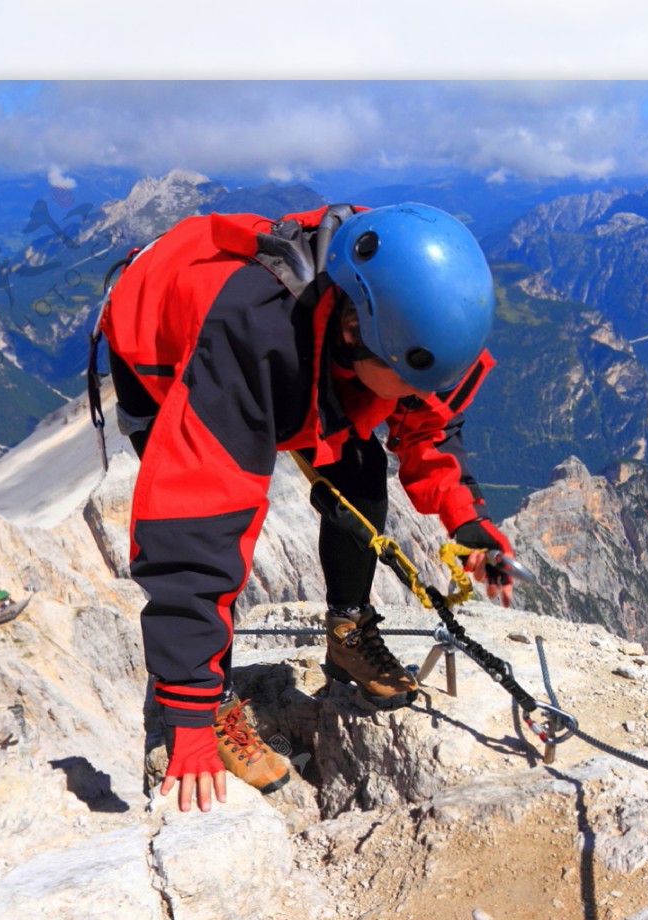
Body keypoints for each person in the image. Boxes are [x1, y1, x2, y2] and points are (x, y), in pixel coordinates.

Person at [99, 202, 517, 814]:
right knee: (219, 529)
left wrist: (468, 522)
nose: (422, 397)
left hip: (309, 354)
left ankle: (348, 632)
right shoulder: (251, 341)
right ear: (353, 334)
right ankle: (211, 700)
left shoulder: (391, 292)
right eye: (409, 380)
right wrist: (187, 714)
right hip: (159, 348)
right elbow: (191, 530)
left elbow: (425, 423)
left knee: (361, 469)